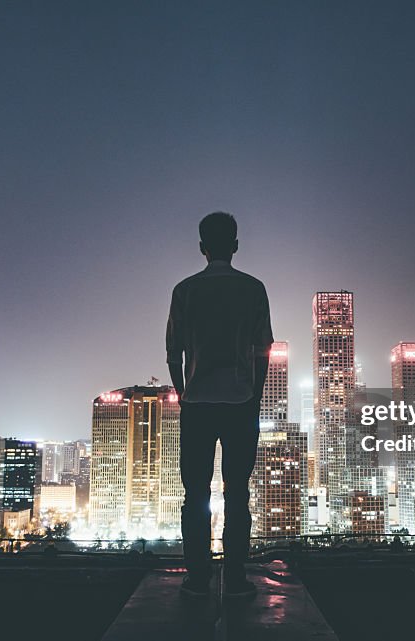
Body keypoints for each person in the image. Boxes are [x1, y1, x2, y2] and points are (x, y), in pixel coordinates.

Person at [166, 212, 273, 599]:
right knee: (237, 492)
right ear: (236, 245)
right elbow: (264, 348)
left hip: (197, 404)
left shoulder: (184, 290)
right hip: (240, 402)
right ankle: (237, 575)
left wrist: (182, 394)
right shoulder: (253, 288)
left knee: (195, 493)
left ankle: (197, 577)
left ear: (201, 247)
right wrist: (256, 394)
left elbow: (172, 352)